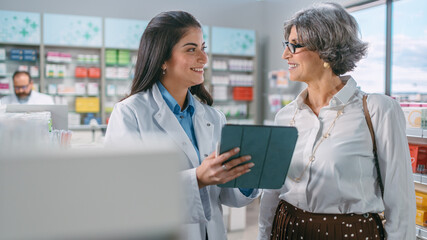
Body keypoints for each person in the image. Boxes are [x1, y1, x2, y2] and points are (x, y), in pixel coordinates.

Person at [258, 3, 415, 240]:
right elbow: (272, 191)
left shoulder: (377, 110)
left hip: (350, 233)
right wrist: (263, 235)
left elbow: (400, 202)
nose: (285, 54)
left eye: (295, 45)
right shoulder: (286, 116)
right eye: (286, 45)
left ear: (326, 49)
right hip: (287, 229)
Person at [104, 11, 259, 240]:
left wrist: (246, 176)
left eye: (203, 48)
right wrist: (197, 178)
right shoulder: (130, 113)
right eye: (191, 49)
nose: (204, 58)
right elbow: (124, 193)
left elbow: (226, 196)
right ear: (163, 59)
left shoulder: (214, 117)